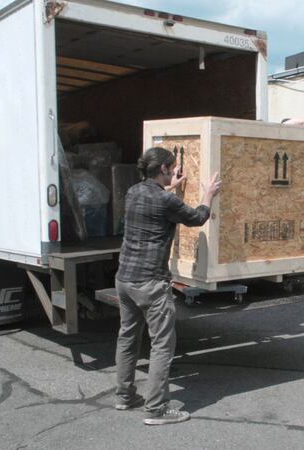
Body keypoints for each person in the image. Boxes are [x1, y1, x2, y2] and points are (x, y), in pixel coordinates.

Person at [114, 146, 221, 425]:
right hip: (151, 283)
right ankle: (156, 410)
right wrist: (208, 193)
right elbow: (198, 217)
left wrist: (170, 189)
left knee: (128, 337)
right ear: (163, 168)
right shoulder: (165, 201)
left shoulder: (134, 191)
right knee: (162, 345)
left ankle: (125, 396)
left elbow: (157, 203)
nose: (175, 170)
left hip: (124, 279)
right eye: (172, 167)